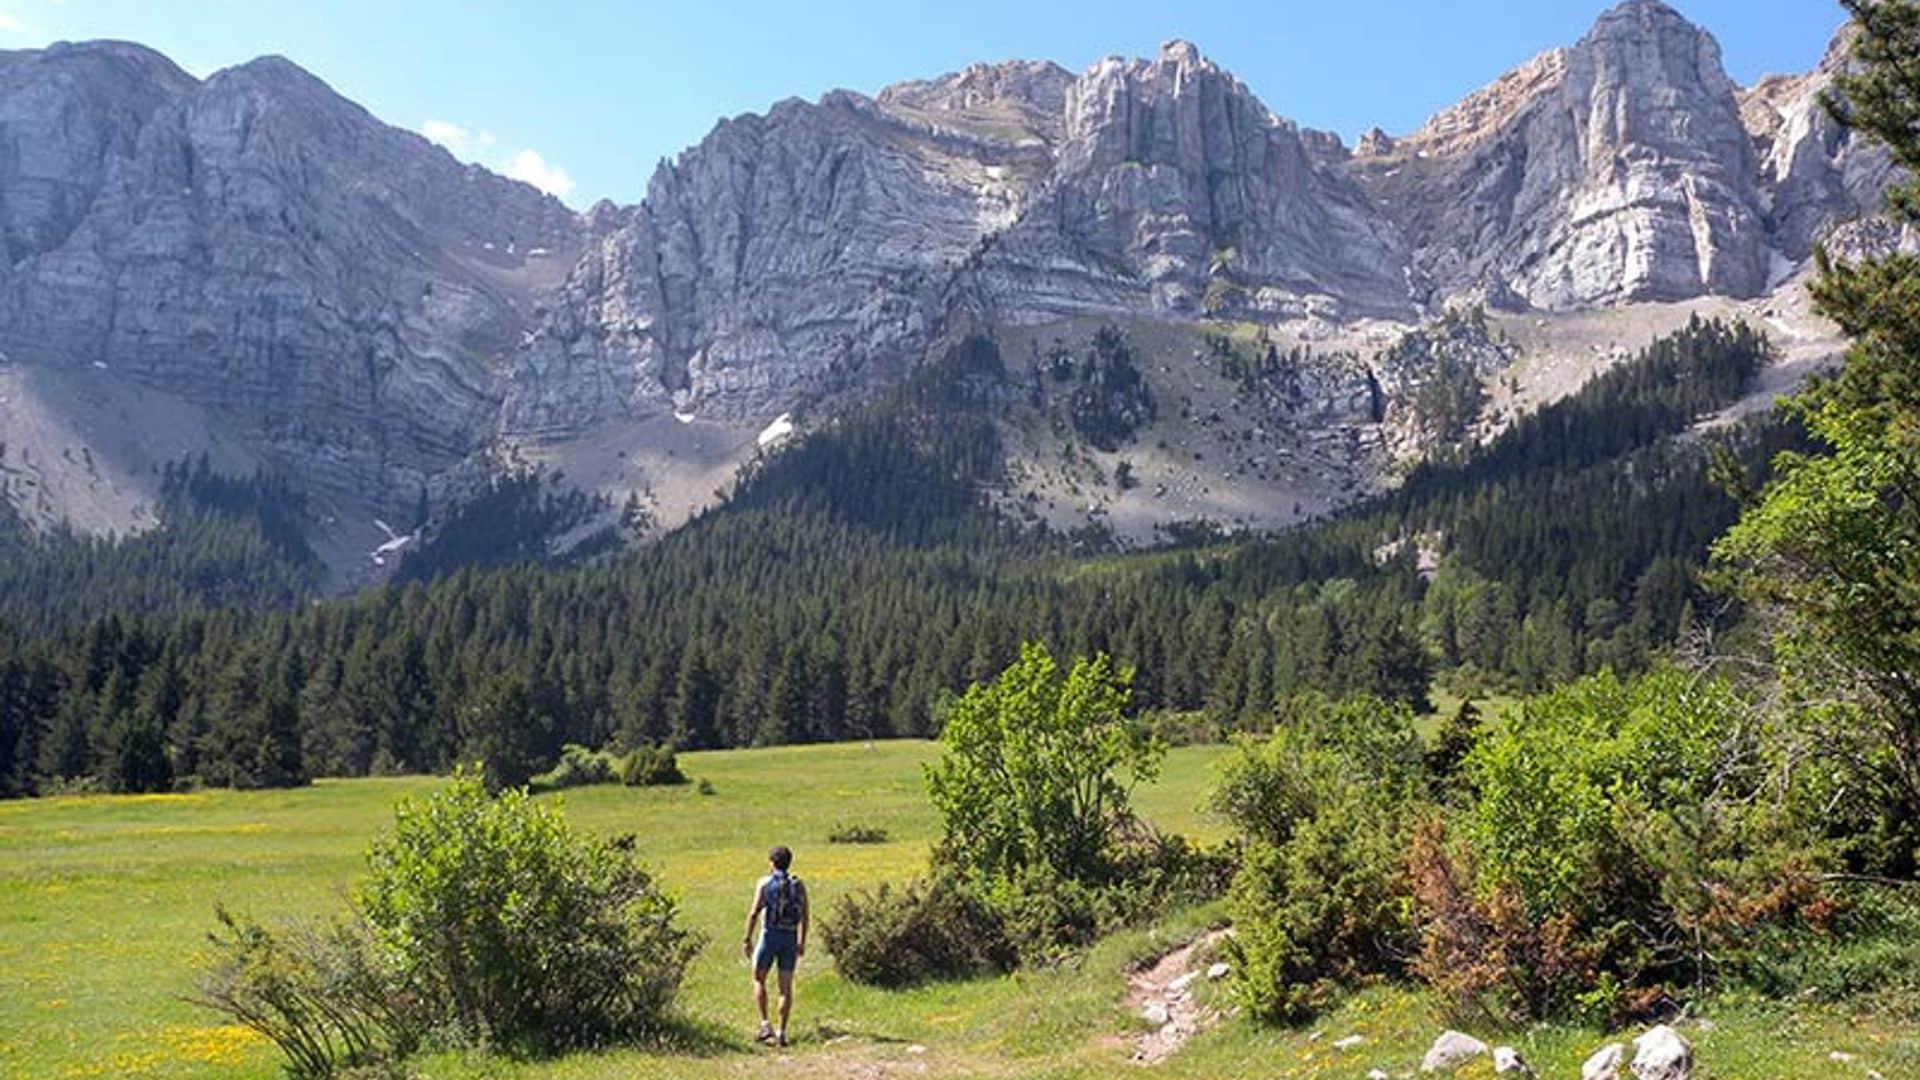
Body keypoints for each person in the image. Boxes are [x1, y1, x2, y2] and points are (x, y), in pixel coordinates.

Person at [742, 844, 808, 1047]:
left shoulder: (764, 883)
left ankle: (765, 1024)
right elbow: (805, 916)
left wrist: (747, 938)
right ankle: (782, 1032)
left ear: (771, 862)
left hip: (769, 936)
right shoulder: (798, 885)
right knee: (785, 987)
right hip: (789, 938)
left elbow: (754, 913)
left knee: (758, 978)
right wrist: (801, 941)